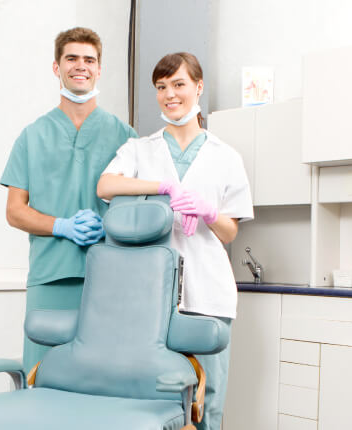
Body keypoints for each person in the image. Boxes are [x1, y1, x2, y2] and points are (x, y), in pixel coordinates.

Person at [96, 52, 253, 430]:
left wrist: (209, 212)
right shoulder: (140, 149)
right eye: (161, 87)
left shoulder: (226, 157)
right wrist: (163, 186)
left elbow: (230, 230)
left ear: (199, 87)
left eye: (179, 84)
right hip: (149, 295)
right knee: (155, 397)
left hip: (208, 293)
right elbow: (105, 185)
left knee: (207, 398)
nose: (170, 94)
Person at [0, 27, 138, 372]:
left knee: (102, 376)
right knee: (42, 374)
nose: (81, 66)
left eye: (89, 60)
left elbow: (138, 209)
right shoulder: (32, 136)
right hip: (50, 276)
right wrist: (62, 226)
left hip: (107, 276)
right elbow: (15, 212)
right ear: (56, 67)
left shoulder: (125, 136)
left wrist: (107, 227)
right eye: (72, 58)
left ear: (99, 69)